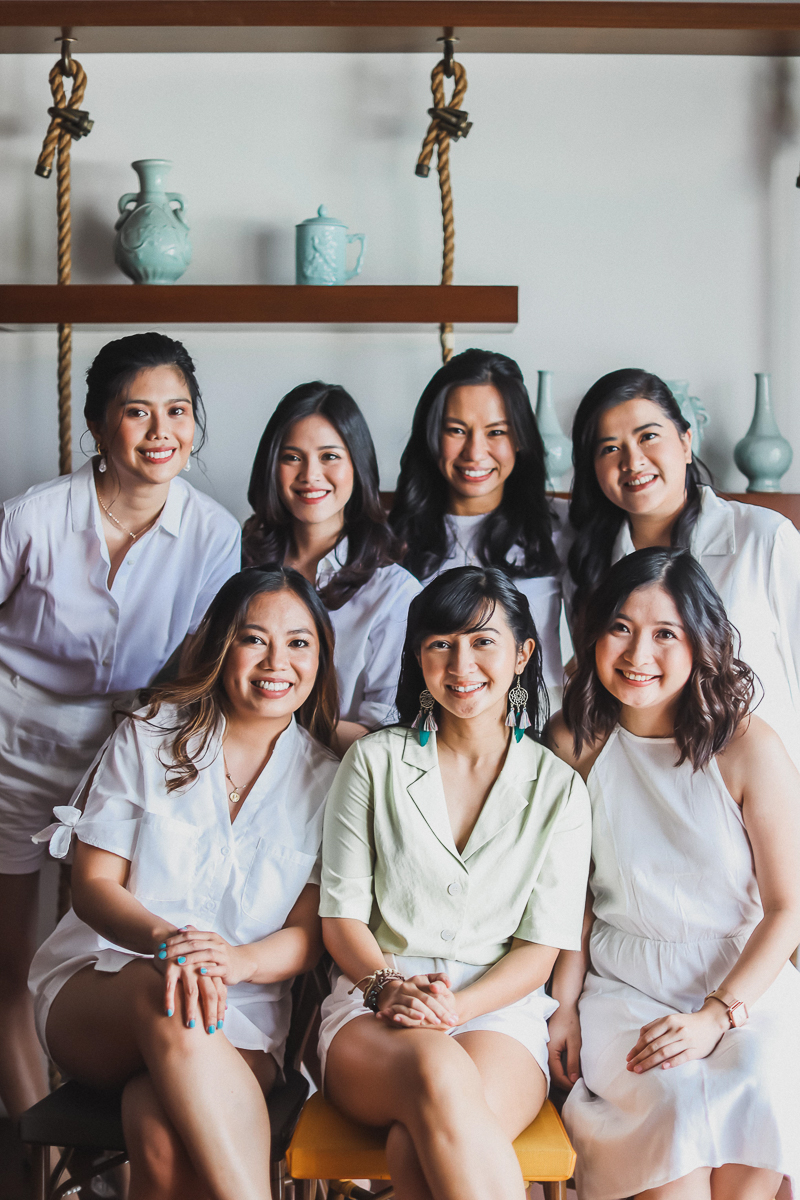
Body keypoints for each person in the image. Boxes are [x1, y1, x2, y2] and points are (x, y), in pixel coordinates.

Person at [29, 567, 340, 1200]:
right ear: (222, 645)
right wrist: (172, 944)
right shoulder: (149, 735)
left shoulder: (333, 780)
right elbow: (93, 885)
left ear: (321, 658)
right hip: (106, 993)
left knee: (162, 1140)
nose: (276, 662)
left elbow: (310, 936)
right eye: (254, 639)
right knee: (169, 990)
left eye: (298, 643)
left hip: (246, 1018)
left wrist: (238, 961)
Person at [0, 332, 241, 1124]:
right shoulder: (31, 519)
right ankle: (42, 1141)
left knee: (105, 948)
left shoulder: (213, 533)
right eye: (138, 412)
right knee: (11, 955)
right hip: (14, 740)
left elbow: (199, 664)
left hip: (128, 749)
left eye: (178, 411)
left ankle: (107, 1146)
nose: (161, 431)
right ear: (100, 425)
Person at [319, 566, 592, 1200]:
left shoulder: (559, 788)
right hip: (373, 1001)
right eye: (441, 643)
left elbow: (539, 950)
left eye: (483, 641)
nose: (460, 663)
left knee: (414, 1149)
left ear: (523, 654)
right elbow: (341, 919)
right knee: (436, 1067)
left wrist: (456, 1010)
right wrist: (388, 988)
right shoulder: (373, 762)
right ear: (419, 656)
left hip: (499, 1012)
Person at [547, 547, 800, 1200]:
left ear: (701, 644)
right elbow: (571, 896)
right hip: (625, 983)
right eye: (621, 628)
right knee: (676, 1109)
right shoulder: (573, 742)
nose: (639, 654)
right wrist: (564, 1006)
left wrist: (717, 1015)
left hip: (745, 982)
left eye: (666, 634)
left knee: (760, 1088)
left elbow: (788, 909)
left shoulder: (748, 748)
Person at [566, 367, 800, 765]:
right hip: (644, 777)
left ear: (686, 442)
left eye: (648, 436)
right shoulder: (590, 564)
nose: (633, 461)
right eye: (610, 448)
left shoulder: (764, 537)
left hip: (757, 781)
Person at [242, 381, 421, 754]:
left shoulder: (395, 594)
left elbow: (388, 737)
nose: (310, 475)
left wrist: (271, 718)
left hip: (340, 774)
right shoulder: (237, 564)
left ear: (358, 465)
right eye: (292, 457)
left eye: (329, 456)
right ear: (271, 467)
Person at [389, 348, 567, 704]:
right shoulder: (390, 540)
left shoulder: (561, 529)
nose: (474, 452)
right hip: (422, 724)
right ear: (431, 435)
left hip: (536, 724)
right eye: (457, 430)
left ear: (520, 439)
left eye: (496, 431)